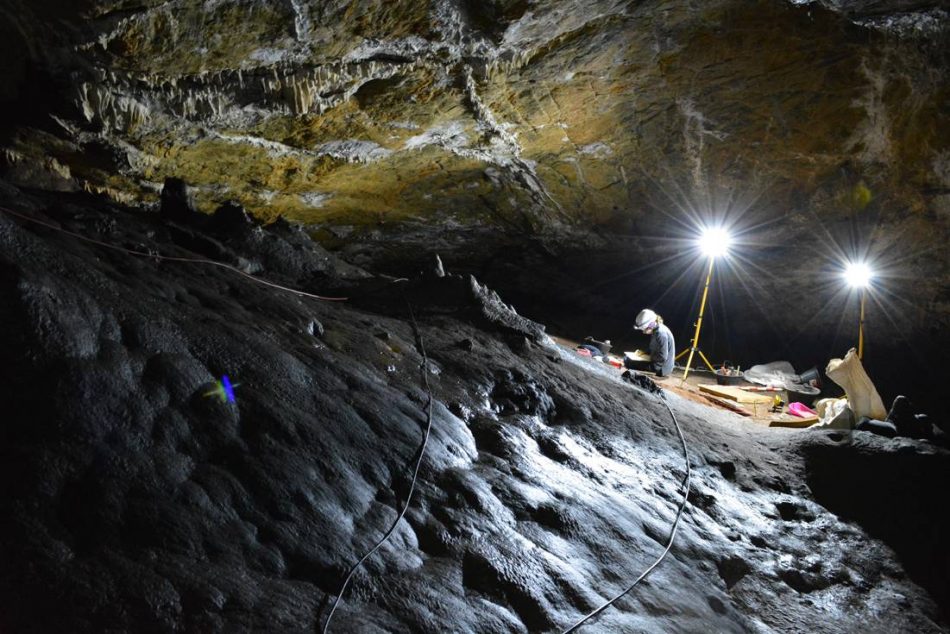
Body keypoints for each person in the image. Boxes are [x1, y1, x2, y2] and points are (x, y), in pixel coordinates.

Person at [634, 308, 675, 377]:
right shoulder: (656, 330)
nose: (643, 332)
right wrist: (644, 353)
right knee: (629, 361)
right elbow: (654, 348)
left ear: (651, 324)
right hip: (657, 363)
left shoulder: (661, 333)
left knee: (632, 364)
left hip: (661, 368)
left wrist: (649, 358)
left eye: (644, 329)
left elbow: (662, 357)